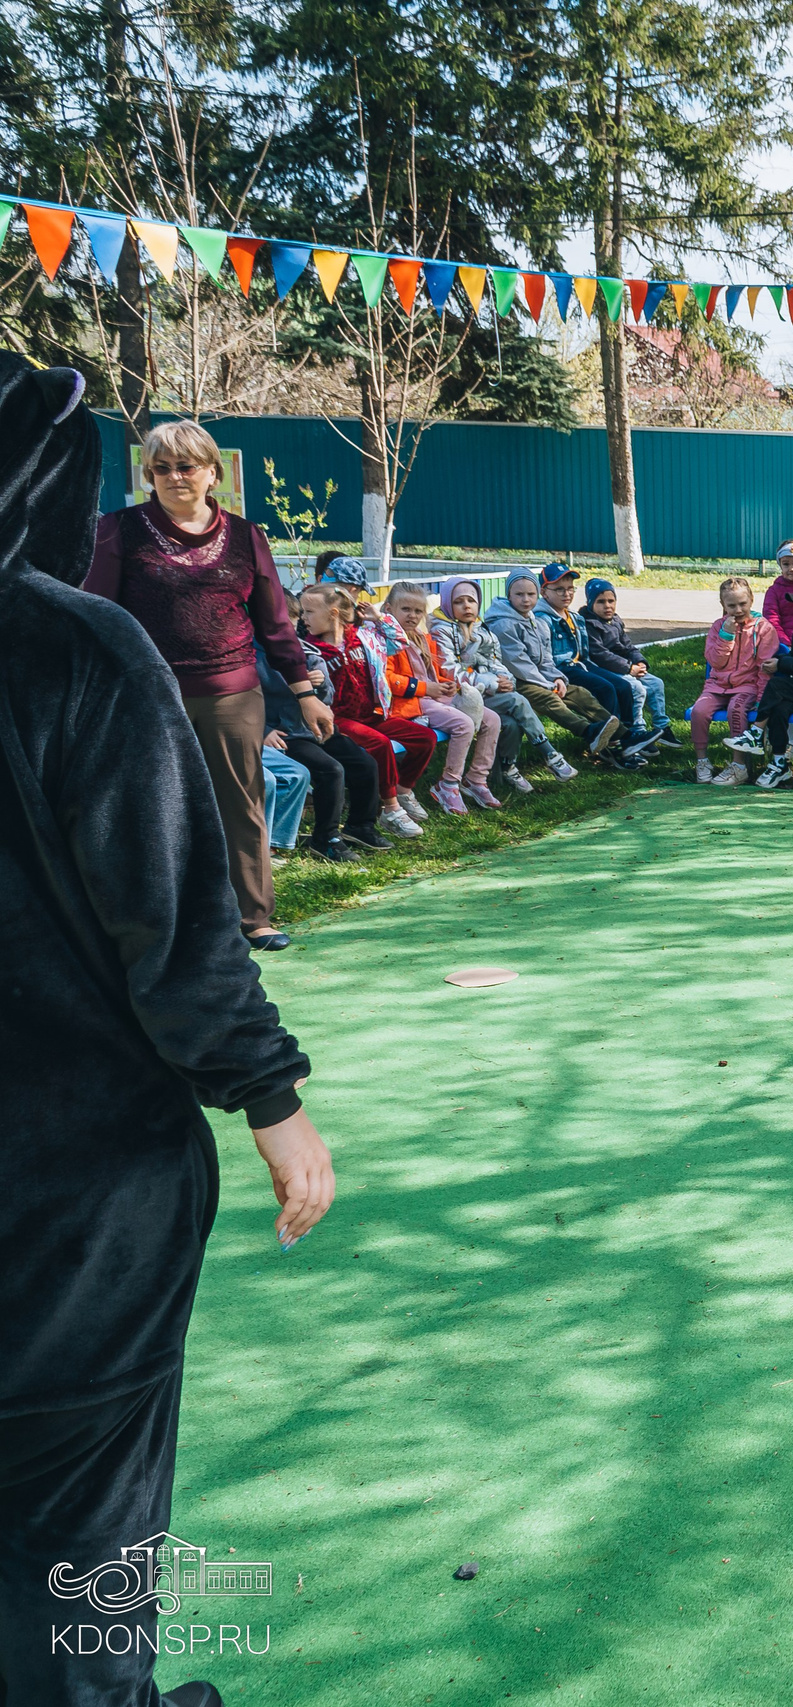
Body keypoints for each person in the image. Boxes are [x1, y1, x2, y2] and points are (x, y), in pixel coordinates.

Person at [0, 353, 337, 1707]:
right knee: (82, 1534)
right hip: (75, 1192)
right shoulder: (71, 642)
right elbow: (171, 917)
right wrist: (267, 1090)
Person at [82, 417, 315, 950]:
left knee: (241, 806)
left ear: (212, 472)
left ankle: (255, 918)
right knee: (152, 806)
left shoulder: (247, 537)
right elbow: (98, 615)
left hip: (233, 695)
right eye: (160, 468)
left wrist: (303, 693)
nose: (174, 476)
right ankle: (161, 923)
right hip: (147, 696)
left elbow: (276, 625)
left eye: (186, 466)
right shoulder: (117, 530)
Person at [298, 582, 431, 839]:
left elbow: (399, 640)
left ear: (333, 613)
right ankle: (390, 809)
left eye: (309, 612)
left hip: (374, 713)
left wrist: (378, 617)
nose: (304, 618)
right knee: (380, 745)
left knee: (425, 738)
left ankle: (402, 790)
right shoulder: (309, 649)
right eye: (302, 612)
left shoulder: (364, 637)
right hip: (339, 720)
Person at [258, 624, 380, 857]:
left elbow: (327, 699)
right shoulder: (253, 659)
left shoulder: (310, 654)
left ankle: (360, 826)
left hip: (316, 730)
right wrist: (263, 731)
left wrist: (320, 684)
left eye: (290, 624)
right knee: (330, 770)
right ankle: (326, 839)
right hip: (285, 735)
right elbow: (243, 703)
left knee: (364, 763)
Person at [383, 580, 504, 815]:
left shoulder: (421, 637)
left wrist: (448, 685)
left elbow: (434, 672)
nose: (412, 615)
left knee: (492, 720)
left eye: (418, 611)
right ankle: (448, 784)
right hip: (411, 703)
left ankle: (476, 779)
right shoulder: (387, 640)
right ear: (389, 609)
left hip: (434, 697)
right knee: (463, 723)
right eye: (405, 609)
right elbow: (388, 679)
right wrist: (427, 689)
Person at [434, 577, 552, 794]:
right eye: (459, 601)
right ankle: (549, 753)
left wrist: (505, 680)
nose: (467, 606)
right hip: (458, 696)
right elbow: (448, 670)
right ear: (449, 604)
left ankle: (501, 771)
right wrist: (491, 683)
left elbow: (496, 661)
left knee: (510, 723)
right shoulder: (441, 630)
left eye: (471, 600)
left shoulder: (482, 628)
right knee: (517, 701)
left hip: (485, 692)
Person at [487, 571, 618, 762]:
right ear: (508, 595)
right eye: (519, 594)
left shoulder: (535, 621)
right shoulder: (504, 624)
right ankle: (588, 731)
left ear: (537, 595)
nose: (525, 600)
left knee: (580, 693)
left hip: (536, 678)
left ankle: (622, 734)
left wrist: (557, 678)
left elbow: (545, 660)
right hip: (514, 681)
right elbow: (520, 665)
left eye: (531, 595)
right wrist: (548, 684)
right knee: (549, 698)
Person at [540, 565, 654, 764]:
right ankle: (613, 746)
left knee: (623, 686)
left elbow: (584, 653)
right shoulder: (543, 619)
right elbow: (545, 656)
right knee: (605, 688)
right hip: (562, 669)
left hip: (582, 664)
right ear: (544, 592)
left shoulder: (573, 617)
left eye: (570, 588)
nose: (566, 594)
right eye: (559, 589)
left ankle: (628, 739)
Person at [693, 575, 780, 785]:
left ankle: (738, 765)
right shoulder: (718, 627)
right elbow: (716, 661)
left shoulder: (763, 628)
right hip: (716, 685)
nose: (738, 610)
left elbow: (764, 669)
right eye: (732, 605)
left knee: (736, 710)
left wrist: (761, 699)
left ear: (751, 599)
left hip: (746, 687)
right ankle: (702, 760)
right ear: (723, 605)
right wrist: (726, 636)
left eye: (742, 604)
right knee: (699, 711)